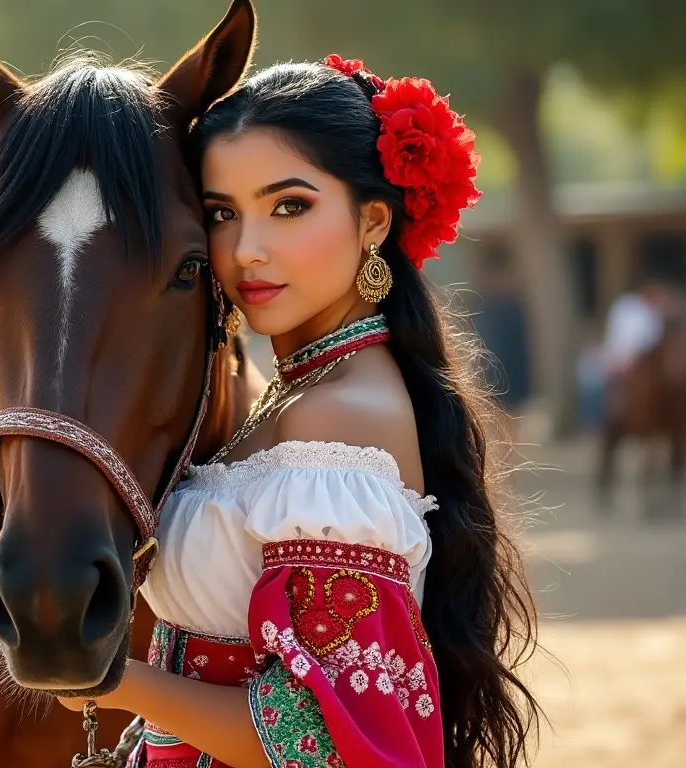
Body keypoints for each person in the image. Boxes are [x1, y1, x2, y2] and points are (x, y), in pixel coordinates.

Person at [59, 56, 541, 767]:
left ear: (372, 221)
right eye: (222, 214)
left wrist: (121, 682)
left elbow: (326, 738)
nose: (248, 251)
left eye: (289, 206)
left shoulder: (342, 419)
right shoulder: (291, 399)